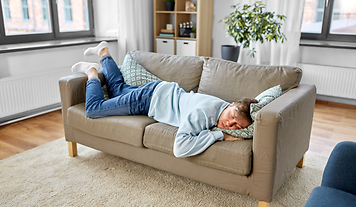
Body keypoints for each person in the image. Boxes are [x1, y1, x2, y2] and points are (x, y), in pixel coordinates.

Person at [71, 41, 257, 158]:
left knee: (117, 90)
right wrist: (220, 135)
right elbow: (180, 148)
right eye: (232, 117)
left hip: (159, 91)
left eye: (236, 127)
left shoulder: (221, 105)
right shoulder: (203, 114)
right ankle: (92, 72)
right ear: (231, 104)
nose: (229, 124)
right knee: (94, 109)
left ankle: (103, 51)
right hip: (148, 99)